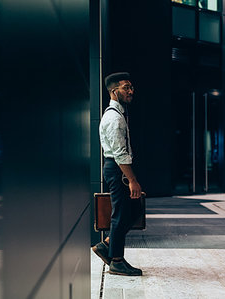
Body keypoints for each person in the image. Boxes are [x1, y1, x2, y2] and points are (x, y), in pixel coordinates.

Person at [92, 72, 143, 276]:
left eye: (131, 87)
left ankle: (106, 246)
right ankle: (116, 261)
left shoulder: (119, 114)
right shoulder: (113, 118)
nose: (131, 91)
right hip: (117, 168)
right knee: (121, 214)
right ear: (114, 91)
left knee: (134, 209)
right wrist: (132, 180)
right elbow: (120, 153)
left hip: (118, 167)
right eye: (126, 87)